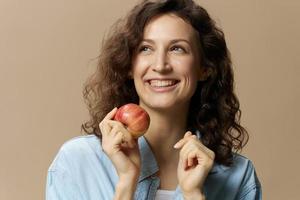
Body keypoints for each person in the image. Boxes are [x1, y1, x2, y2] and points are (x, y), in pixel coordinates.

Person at [46, 0, 262, 199]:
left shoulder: (239, 177)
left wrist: (194, 194)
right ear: (130, 66)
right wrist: (126, 184)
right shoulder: (77, 163)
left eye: (177, 49)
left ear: (204, 68)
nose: (160, 65)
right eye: (146, 49)